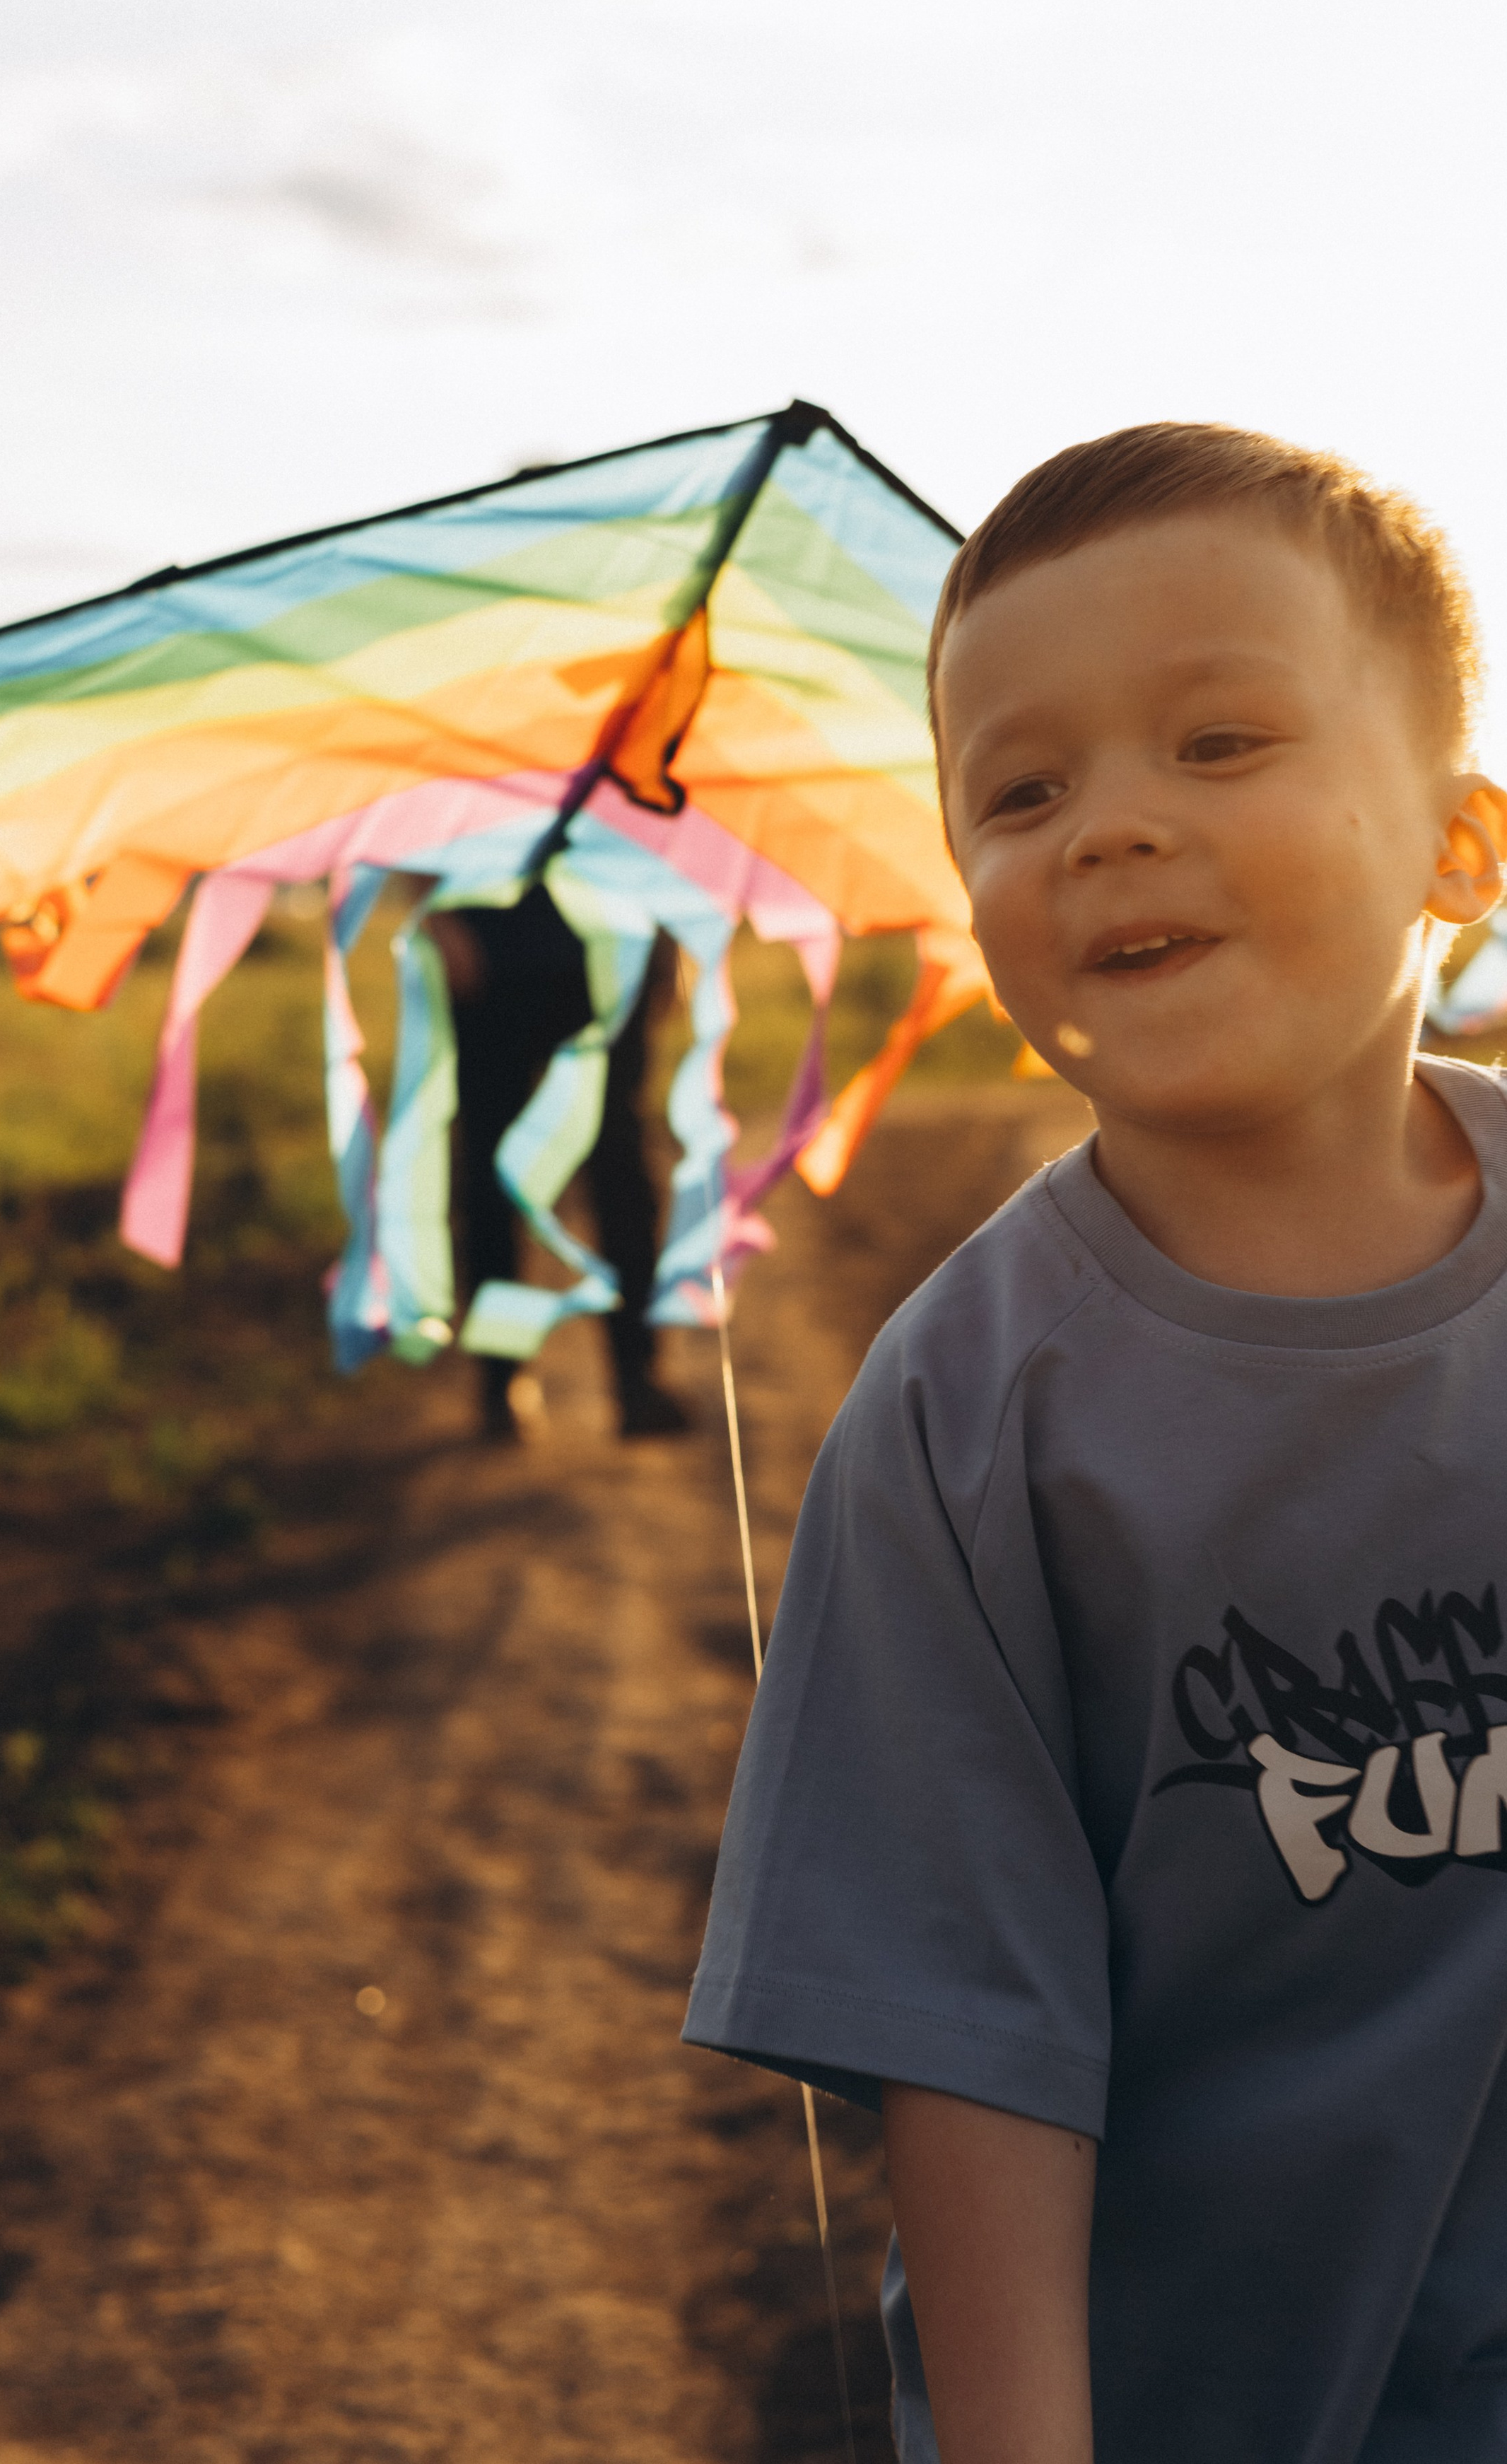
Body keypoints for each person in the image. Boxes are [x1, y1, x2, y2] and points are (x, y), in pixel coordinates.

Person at [681, 423, 1507, 2464]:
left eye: (1217, 742)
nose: (1110, 829)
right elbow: (974, 2056)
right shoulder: (971, 1422)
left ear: (1458, 847)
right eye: (1020, 793)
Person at [434, 880, 689, 1442]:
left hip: (610, 952)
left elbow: (655, 831)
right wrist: (438, 917)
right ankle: (500, 1382)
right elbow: (415, 820)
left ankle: (637, 1378)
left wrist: (668, 937)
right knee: (491, 1181)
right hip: (489, 956)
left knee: (622, 1175)